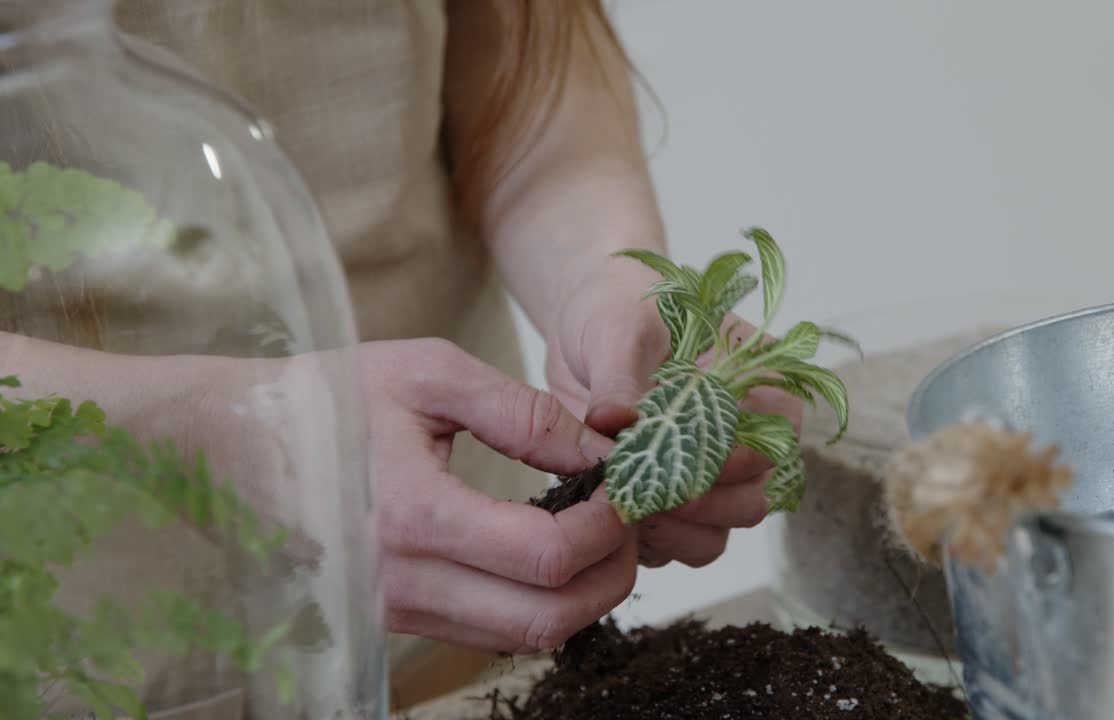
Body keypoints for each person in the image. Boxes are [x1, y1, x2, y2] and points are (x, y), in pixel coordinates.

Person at [2, 1, 801, 716]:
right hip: (66, 658)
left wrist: (605, 276)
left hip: (447, 618)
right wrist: (248, 440)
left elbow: (524, 46)